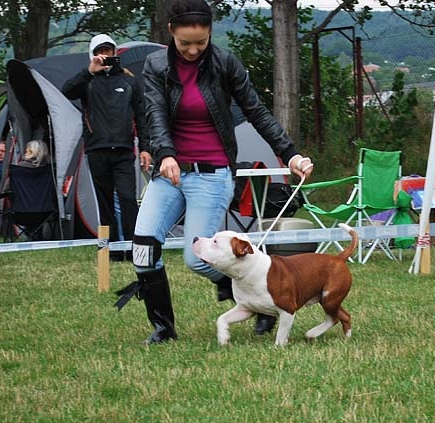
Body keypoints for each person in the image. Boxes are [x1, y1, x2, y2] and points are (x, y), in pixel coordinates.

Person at [115, 0, 313, 345]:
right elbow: (154, 114)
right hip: (169, 172)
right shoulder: (155, 65)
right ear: (171, 33)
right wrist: (165, 154)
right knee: (143, 248)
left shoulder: (225, 63)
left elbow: (257, 111)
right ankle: (164, 329)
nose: (193, 50)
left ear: (210, 35)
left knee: (197, 259)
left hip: (212, 174)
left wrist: (290, 154)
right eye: (184, 43)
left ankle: (259, 300)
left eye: (201, 43)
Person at [62, 34, 150, 262]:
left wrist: (145, 148)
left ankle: (134, 249)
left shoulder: (130, 81)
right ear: (93, 54)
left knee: (128, 198)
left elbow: (141, 117)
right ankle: (110, 251)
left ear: (115, 52)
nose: (105, 55)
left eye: (109, 50)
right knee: (105, 203)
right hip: (96, 149)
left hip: (123, 150)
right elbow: (66, 91)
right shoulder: (87, 81)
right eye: (100, 51)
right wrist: (90, 71)